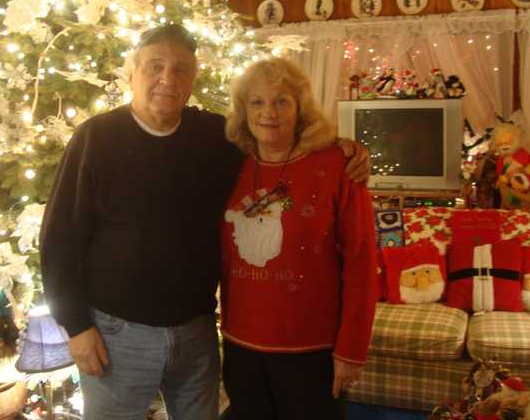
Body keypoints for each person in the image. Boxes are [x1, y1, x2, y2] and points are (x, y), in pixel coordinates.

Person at [40, 25, 370, 420]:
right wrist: (75, 326)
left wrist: (345, 148)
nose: (168, 79)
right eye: (155, 66)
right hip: (118, 336)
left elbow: (282, 147)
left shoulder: (216, 138)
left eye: (181, 69)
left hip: (197, 336)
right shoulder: (96, 138)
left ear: (193, 78)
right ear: (132, 73)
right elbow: (58, 239)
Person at [220, 57, 379, 419]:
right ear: (244, 110)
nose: (268, 113)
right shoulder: (228, 164)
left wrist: (351, 349)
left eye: (281, 101)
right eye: (257, 102)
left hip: (312, 350)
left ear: (300, 109)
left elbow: (362, 262)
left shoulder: (338, 166)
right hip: (241, 344)